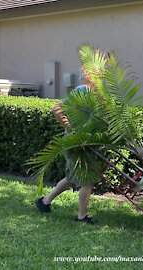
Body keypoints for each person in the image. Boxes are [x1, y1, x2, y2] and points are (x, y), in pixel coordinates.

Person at [35, 85, 95, 224]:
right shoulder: (83, 90)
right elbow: (57, 109)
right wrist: (70, 128)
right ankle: (81, 216)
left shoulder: (96, 94)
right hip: (75, 144)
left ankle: (44, 202)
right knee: (87, 179)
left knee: (72, 177)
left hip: (82, 143)